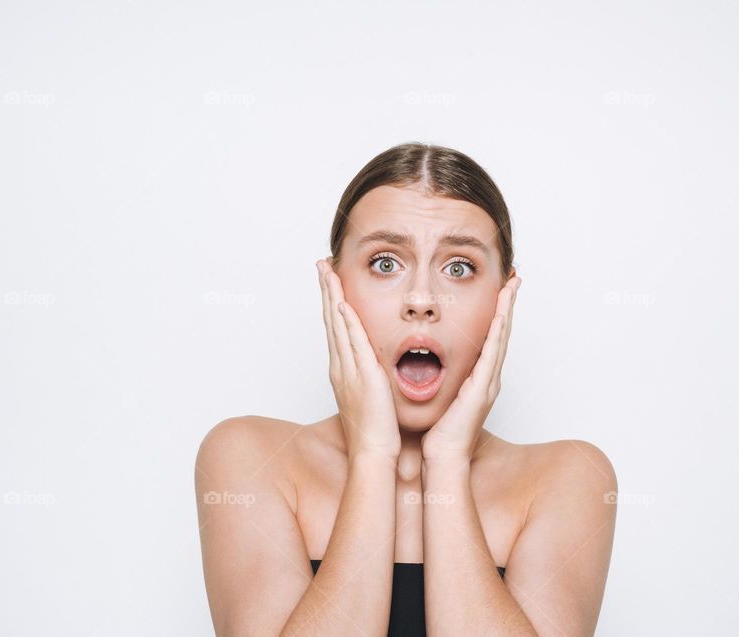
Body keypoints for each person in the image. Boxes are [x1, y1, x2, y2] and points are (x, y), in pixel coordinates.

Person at [195, 142, 617, 636]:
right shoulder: (249, 459)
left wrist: (448, 462)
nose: (421, 300)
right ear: (334, 288)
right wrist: (373, 453)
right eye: (385, 263)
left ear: (504, 298)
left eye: (459, 267)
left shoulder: (568, 480)